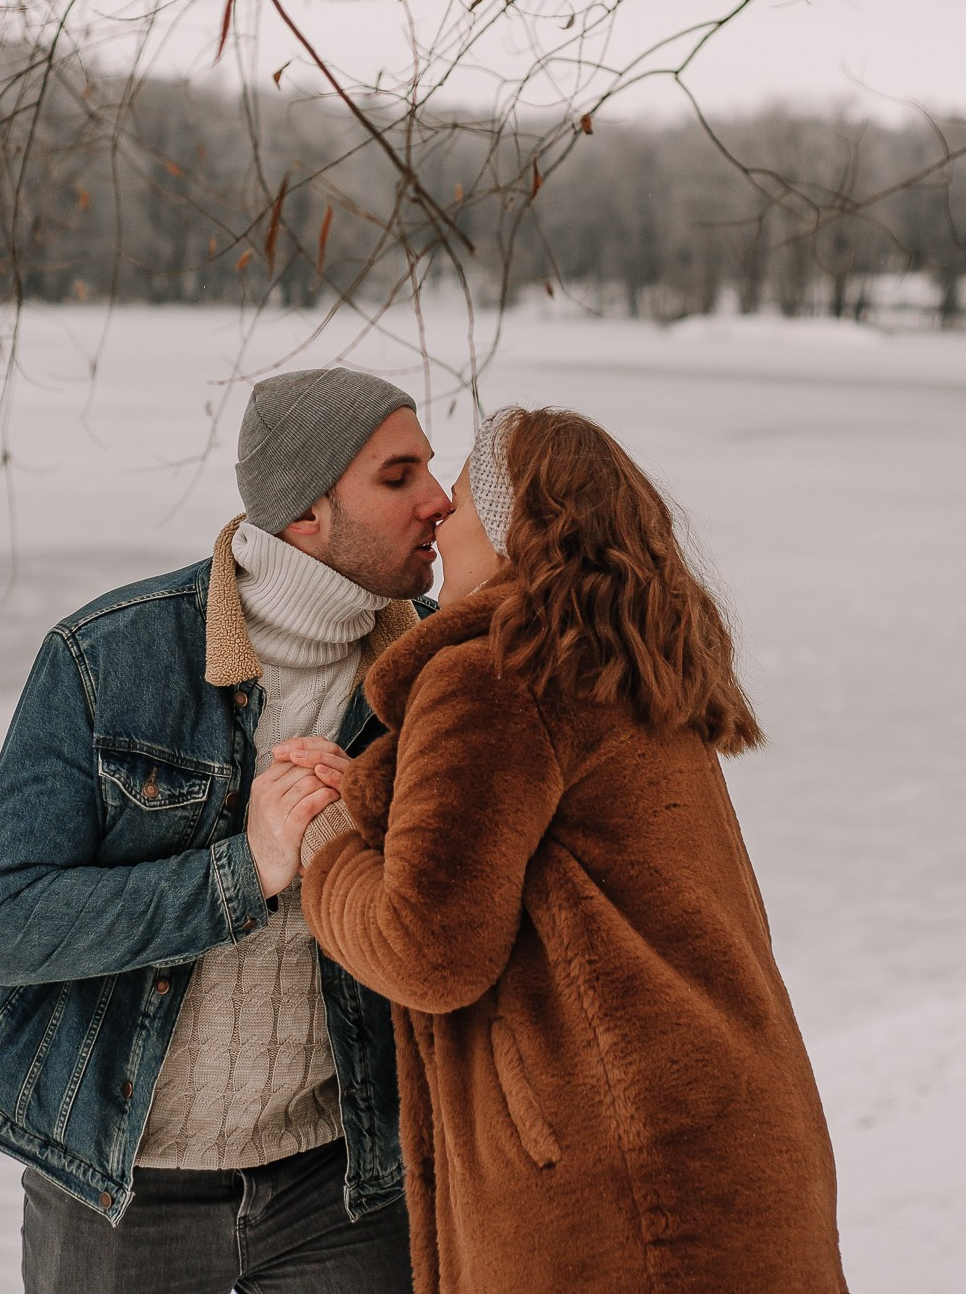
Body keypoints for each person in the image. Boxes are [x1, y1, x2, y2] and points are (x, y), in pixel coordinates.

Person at [291, 407, 849, 1294]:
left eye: (465, 495)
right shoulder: (635, 667)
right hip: (739, 1150)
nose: (440, 511)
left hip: (616, 1186)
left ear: (518, 529)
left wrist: (324, 844)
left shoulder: (498, 672)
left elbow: (427, 949)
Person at [0, 367, 451, 1294]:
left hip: (341, 1186)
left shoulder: (434, 673)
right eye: (398, 476)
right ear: (305, 511)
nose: (440, 499)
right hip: (120, 1190)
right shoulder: (107, 656)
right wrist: (241, 869)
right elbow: (9, 922)